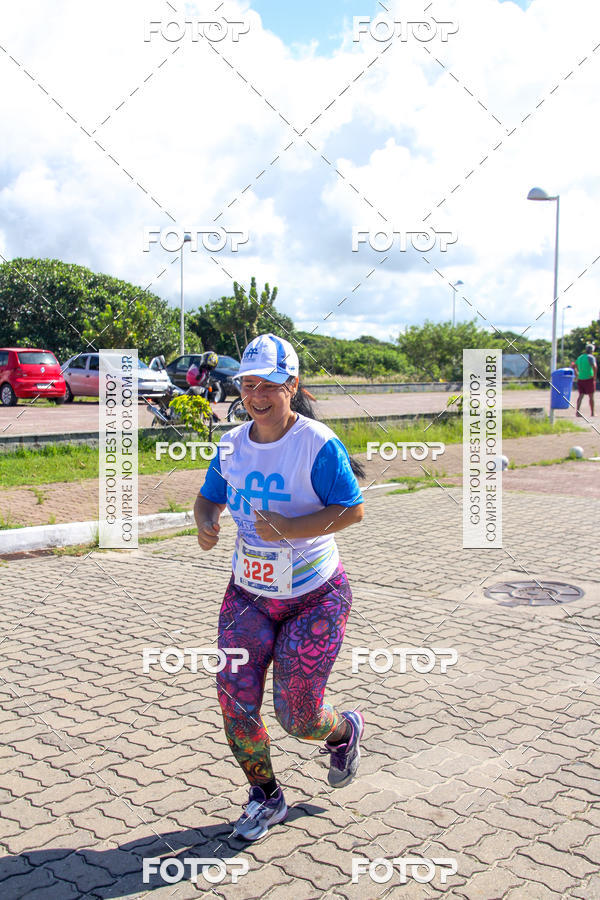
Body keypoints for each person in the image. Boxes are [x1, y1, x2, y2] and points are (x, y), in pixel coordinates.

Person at [194, 333, 365, 842]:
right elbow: (208, 499)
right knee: (235, 704)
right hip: (247, 595)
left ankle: (343, 730)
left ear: (292, 384)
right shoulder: (231, 445)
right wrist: (204, 521)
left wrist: (287, 530)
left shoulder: (316, 443)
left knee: (299, 716)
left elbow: (352, 510)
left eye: (269, 383)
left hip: (315, 596)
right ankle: (265, 796)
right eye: (248, 384)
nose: (257, 395)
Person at [574, 343, 597, 418]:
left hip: (581, 379)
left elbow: (574, 366)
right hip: (589, 378)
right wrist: (594, 376)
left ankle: (577, 412)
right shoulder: (590, 357)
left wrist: (577, 374)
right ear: (592, 350)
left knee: (580, 396)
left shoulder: (580, 357)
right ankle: (592, 413)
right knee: (591, 396)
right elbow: (594, 367)